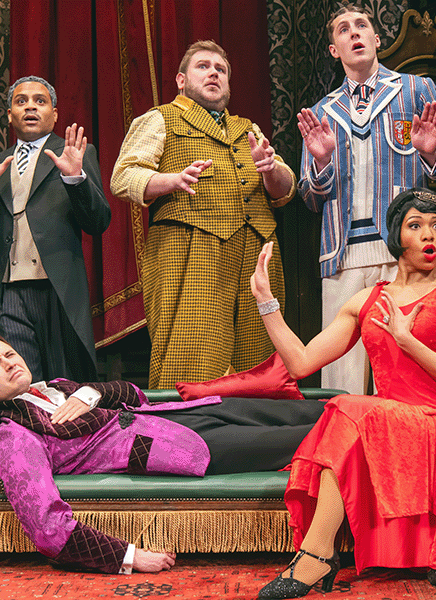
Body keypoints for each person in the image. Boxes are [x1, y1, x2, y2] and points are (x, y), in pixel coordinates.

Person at [250, 188, 436, 598]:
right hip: (393, 428)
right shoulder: (367, 300)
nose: (430, 236)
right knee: (347, 412)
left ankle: (317, 557)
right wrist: (267, 304)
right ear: (395, 237)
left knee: (347, 408)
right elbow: (301, 363)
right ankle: (318, 553)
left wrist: (409, 343)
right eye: (416, 226)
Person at [0, 333, 328, 575]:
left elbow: (136, 396)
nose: (8, 362)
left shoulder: (57, 386)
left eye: (9, 353)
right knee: (307, 435)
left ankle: (385, 409)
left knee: (315, 410)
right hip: (181, 449)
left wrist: (91, 394)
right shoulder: (17, 435)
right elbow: (46, 528)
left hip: (184, 416)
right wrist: (129, 556)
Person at [297, 5, 436, 395]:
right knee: (342, 378)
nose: (353, 32)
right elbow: (308, 196)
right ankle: (347, 455)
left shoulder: (415, 90)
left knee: (402, 371)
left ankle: (402, 453)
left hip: (400, 254)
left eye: (361, 25)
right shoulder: (323, 111)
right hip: (342, 256)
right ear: (334, 49)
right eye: (343, 29)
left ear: (375, 39)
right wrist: (321, 162)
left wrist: (429, 153)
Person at [111, 40, 297, 389]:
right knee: (190, 356)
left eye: (221, 69)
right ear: (181, 80)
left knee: (260, 361)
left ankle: (257, 436)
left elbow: (286, 191)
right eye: (203, 66)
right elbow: (123, 177)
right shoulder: (160, 118)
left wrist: (270, 170)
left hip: (257, 254)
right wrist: (172, 180)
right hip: (191, 251)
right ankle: (190, 436)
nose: (213, 72)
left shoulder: (248, 129)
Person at [0, 75, 111, 384]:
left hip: (58, 291)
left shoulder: (75, 153)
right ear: (10, 114)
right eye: (21, 101)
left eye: (40, 101)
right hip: (8, 292)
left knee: (63, 385)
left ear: (54, 114)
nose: (30, 107)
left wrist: (75, 179)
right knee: (20, 385)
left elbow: (98, 222)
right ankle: (25, 435)